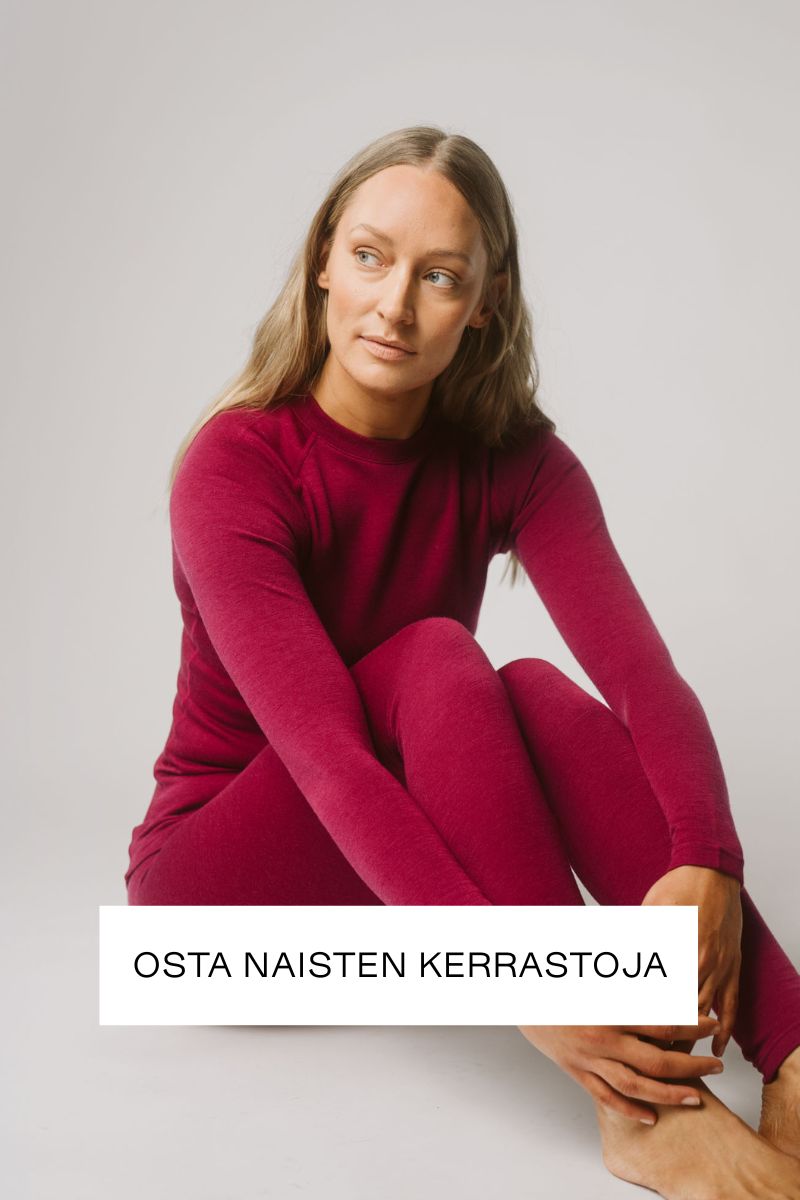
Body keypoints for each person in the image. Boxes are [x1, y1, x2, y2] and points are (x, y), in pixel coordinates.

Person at [124, 125, 800, 1197]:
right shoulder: (237, 464)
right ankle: (640, 1107)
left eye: (438, 276)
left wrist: (709, 856)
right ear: (323, 261)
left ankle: (795, 1052)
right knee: (437, 655)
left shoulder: (515, 459)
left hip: (400, 888)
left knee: (529, 686)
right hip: (213, 920)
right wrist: (527, 982)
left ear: (487, 301)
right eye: (369, 257)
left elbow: (639, 675)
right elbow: (332, 762)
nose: (393, 306)